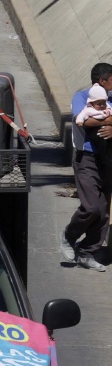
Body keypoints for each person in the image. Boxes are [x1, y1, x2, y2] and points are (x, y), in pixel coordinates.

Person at [60, 62, 112, 271]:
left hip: (107, 159)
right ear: (102, 80)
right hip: (87, 158)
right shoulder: (81, 97)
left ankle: (87, 252)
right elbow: (85, 121)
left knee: (103, 211)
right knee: (91, 206)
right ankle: (70, 234)